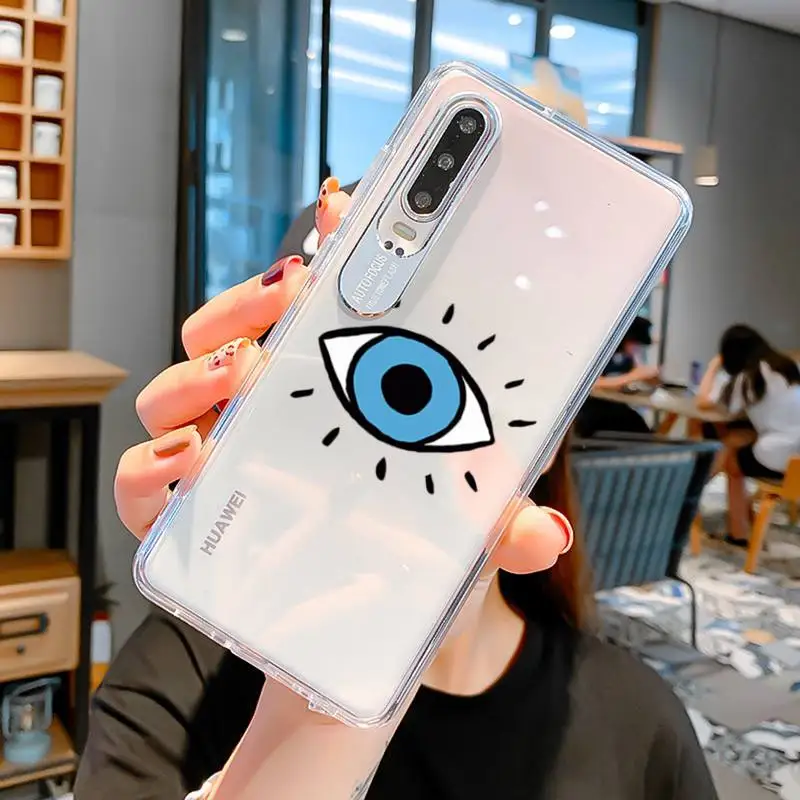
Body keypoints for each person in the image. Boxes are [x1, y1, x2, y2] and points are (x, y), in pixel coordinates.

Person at [74, 181, 716, 800]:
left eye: (446, 378)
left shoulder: (639, 731)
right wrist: (307, 725)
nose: (383, 447)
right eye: (361, 374)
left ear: (545, 434)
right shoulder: (174, 684)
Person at [697, 324, 800, 545]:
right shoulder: (787, 366)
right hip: (797, 460)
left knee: (732, 461)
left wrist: (713, 366)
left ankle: (737, 533)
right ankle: (704, 488)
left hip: (780, 458)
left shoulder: (749, 377)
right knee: (736, 438)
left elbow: (703, 402)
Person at [574, 315, 660, 438]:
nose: (636, 348)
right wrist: (632, 376)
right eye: (635, 343)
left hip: (616, 404)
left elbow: (637, 373)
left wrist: (650, 376)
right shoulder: (600, 353)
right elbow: (593, 383)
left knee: (640, 427)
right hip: (592, 409)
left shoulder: (627, 356)